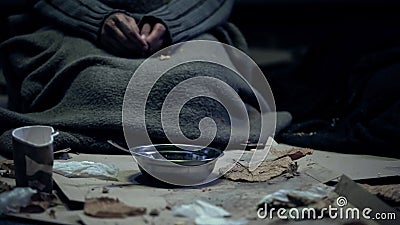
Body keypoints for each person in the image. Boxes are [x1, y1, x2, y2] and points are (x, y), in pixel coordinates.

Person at [32, 0, 235, 57]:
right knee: (95, 81)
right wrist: (96, 19)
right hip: (77, 27)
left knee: (196, 78)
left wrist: (172, 21)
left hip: (190, 26)